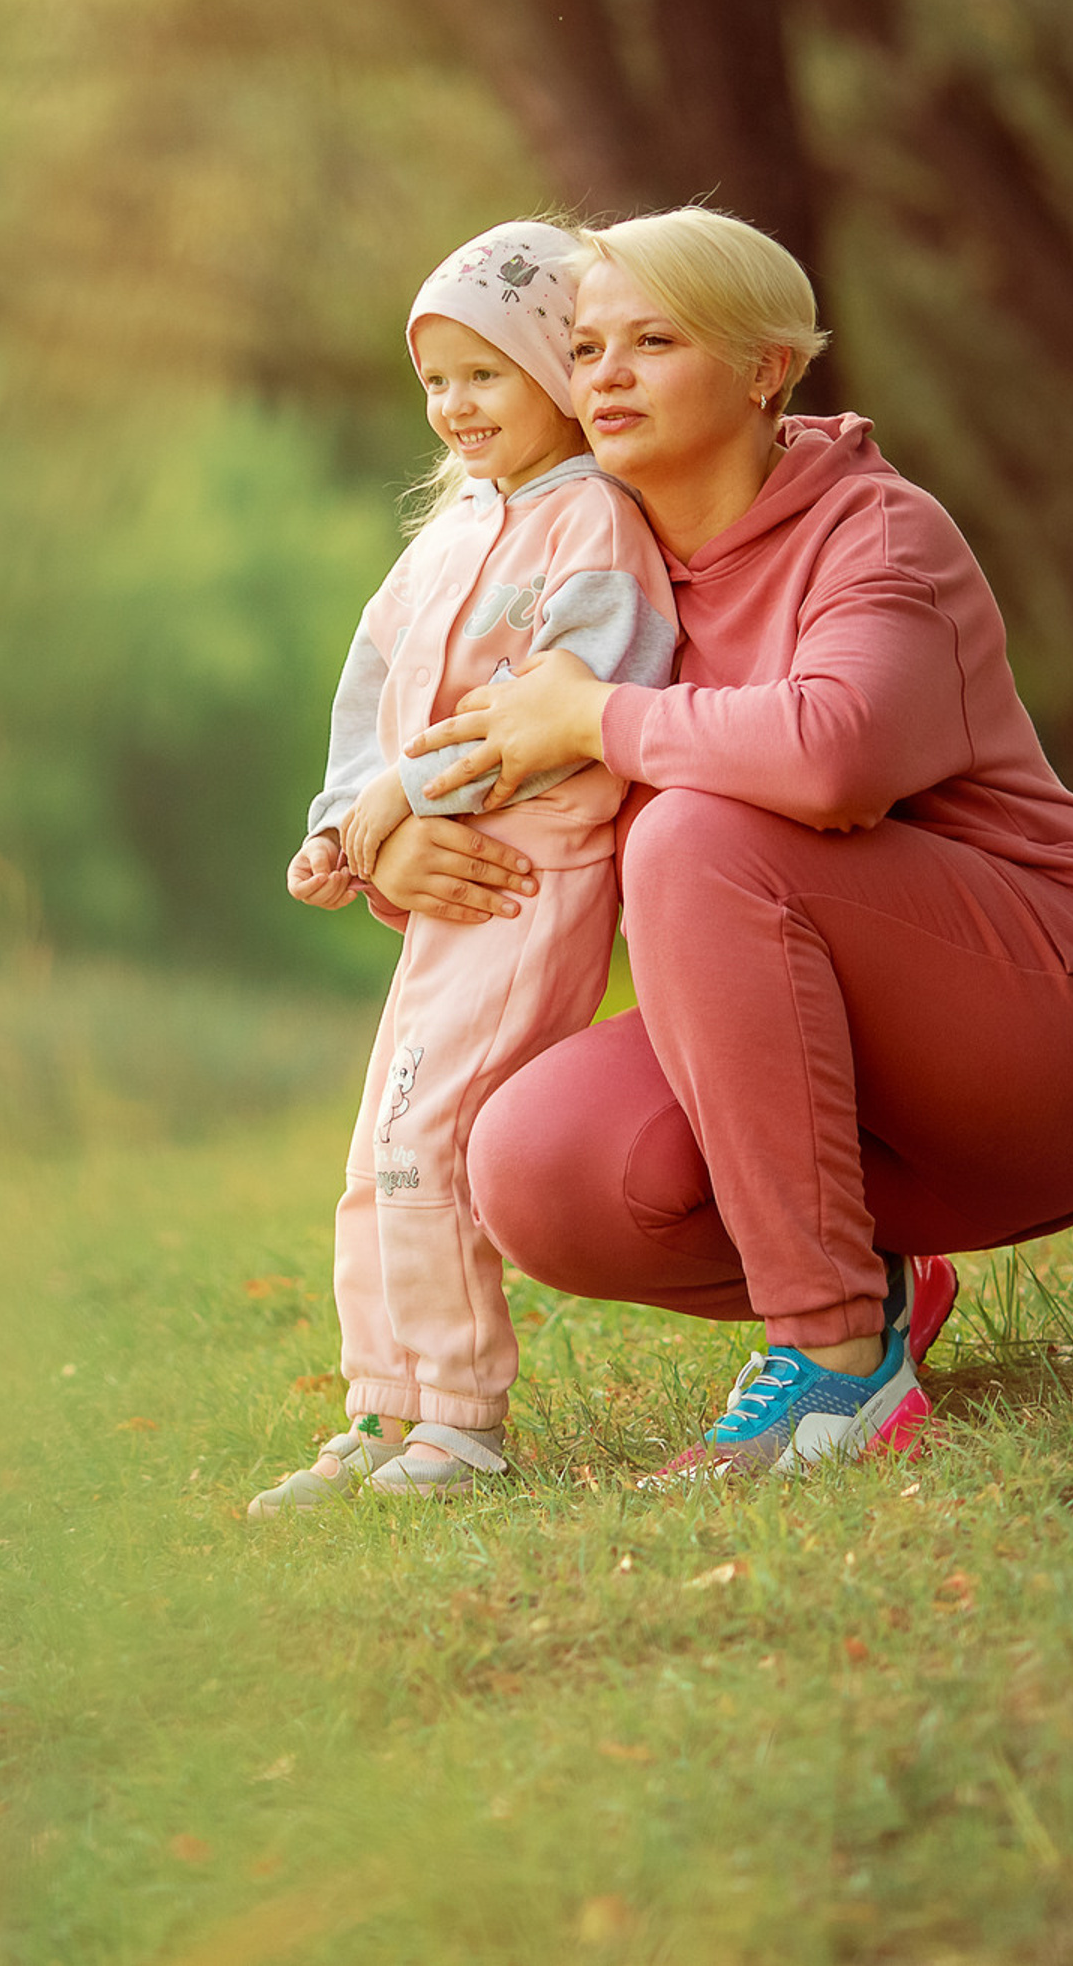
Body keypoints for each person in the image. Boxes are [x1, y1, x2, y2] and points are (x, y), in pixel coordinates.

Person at [377, 208, 1073, 1479]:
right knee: (529, 1163)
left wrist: (596, 714)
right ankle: (871, 1284)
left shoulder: (874, 532)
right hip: (840, 1070)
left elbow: (834, 756)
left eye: (652, 341)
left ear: (765, 368)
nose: (606, 377)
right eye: (585, 349)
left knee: (699, 835)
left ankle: (831, 1363)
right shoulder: (602, 569)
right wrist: (392, 847)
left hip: (1055, 1025)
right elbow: (497, 764)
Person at [253, 222, 677, 1513]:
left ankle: (461, 1420)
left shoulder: (594, 526)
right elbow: (368, 700)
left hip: (525, 880)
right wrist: (345, 824)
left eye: (484, 374)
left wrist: (396, 803)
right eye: (435, 381)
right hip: (444, 883)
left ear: (559, 368)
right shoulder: (439, 544)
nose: (453, 405)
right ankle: (381, 1405)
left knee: (428, 1134)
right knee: (378, 1140)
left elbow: (560, 706)